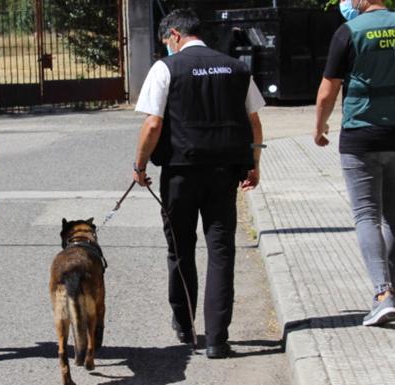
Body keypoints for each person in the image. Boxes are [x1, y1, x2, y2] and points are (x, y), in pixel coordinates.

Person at [132, 8, 265, 358]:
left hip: (180, 173)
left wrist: (140, 165)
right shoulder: (236, 67)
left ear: (174, 34)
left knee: (181, 249)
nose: (166, 48)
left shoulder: (165, 68)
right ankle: (219, 340)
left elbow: (152, 125)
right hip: (224, 173)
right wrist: (254, 164)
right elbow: (254, 120)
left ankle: (186, 325)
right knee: (221, 252)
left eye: (166, 42)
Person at [314, 0, 395, 326]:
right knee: (394, 216)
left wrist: (320, 126)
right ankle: (394, 292)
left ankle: (382, 293)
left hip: (361, 138)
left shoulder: (349, 32)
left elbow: (328, 90)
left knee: (367, 216)